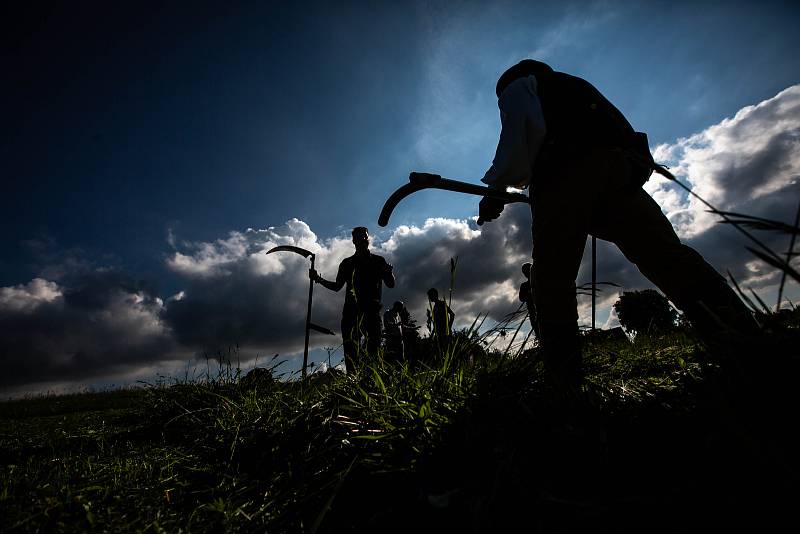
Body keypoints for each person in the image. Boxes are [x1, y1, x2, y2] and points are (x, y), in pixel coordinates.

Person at [477, 59, 758, 388]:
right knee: (667, 257)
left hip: (563, 174)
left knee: (553, 280)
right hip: (618, 172)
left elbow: (516, 138)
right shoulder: (576, 86)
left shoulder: (521, 86)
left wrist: (495, 192)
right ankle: (742, 340)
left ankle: (564, 381)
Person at [311, 227, 395, 373]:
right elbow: (337, 286)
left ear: (368, 239)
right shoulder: (347, 263)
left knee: (374, 351)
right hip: (351, 313)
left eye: (365, 237)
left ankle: (372, 386)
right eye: (360, 237)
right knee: (351, 355)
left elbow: (391, 284)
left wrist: (389, 272)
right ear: (354, 241)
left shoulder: (378, 261)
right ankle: (353, 386)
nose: (363, 239)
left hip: (372, 312)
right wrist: (318, 279)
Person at [518, 262, 539, 338]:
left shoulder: (540, 281)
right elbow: (521, 298)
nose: (526, 273)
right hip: (533, 313)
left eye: (527, 271)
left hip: (543, 311)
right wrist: (529, 296)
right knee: (538, 331)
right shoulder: (524, 285)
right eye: (524, 272)